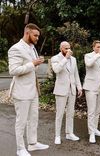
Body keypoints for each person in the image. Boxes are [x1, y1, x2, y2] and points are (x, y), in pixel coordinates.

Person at [8, 23, 49, 156]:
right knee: (21, 121)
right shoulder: (15, 49)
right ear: (27, 33)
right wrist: (33, 64)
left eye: (38, 35)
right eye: (35, 35)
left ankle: (32, 144)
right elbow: (13, 70)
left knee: (33, 118)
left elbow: (32, 68)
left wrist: (37, 63)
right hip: (21, 92)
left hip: (33, 91)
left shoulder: (32, 48)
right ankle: (20, 149)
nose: (37, 38)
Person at [51, 41, 83, 145]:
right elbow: (56, 70)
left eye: (69, 48)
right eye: (66, 48)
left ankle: (69, 133)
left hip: (72, 89)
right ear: (61, 49)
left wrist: (79, 87)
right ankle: (57, 136)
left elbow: (76, 74)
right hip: (61, 90)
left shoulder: (73, 59)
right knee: (59, 114)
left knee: (70, 113)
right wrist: (65, 58)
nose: (68, 50)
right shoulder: (55, 58)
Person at [83, 40, 100, 143]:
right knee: (91, 111)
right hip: (90, 87)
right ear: (93, 47)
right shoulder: (88, 56)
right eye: (98, 46)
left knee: (97, 111)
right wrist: (97, 55)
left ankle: (95, 129)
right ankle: (91, 134)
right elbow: (89, 64)